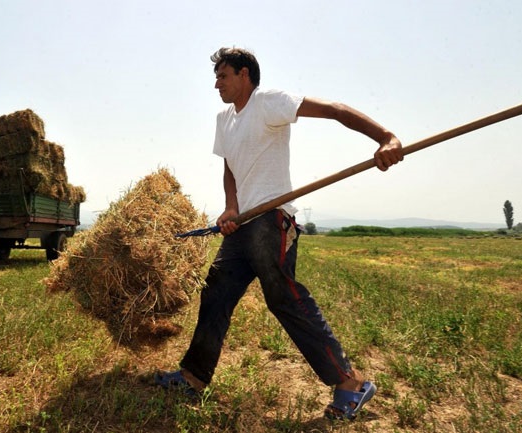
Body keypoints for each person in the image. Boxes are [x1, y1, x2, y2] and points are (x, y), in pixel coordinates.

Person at [155, 47, 404, 421]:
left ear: (244, 74)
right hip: (242, 225)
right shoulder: (224, 119)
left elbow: (335, 110)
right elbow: (230, 169)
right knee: (216, 291)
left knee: (283, 297)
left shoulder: (269, 102)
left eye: (222, 76)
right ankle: (193, 377)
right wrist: (231, 207)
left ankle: (351, 383)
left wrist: (385, 137)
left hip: (272, 219)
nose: (216, 84)